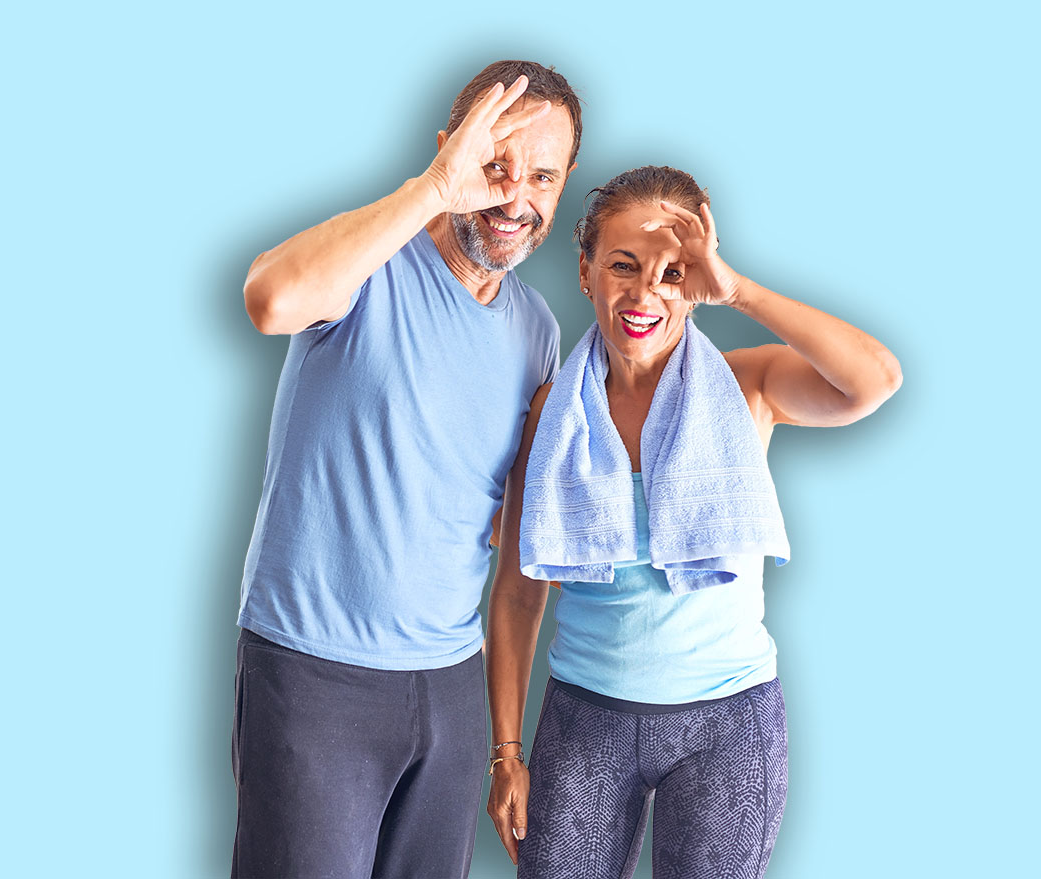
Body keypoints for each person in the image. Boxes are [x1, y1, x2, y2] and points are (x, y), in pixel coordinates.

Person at [485, 166, 902, 878]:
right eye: (623, 264)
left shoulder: (747, 389)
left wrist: (738, 289)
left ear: (698, 282)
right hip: (586, 717)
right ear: (585, 272)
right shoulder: (553, 411)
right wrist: (506, 752)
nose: (645, 292)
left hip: (728, 723)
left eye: (673, 272)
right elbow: (521, 591)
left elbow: (874, 379)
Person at [231, 61, 582, 879]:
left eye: (540, 176)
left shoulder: (536, 331)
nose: (513, 197)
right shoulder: (371, 262)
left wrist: (503, 741)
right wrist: (433, 188)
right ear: (450, 151)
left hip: (449, 688)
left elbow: (515, 544)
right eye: (493, 164)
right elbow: (270, 299)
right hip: (318, 673)